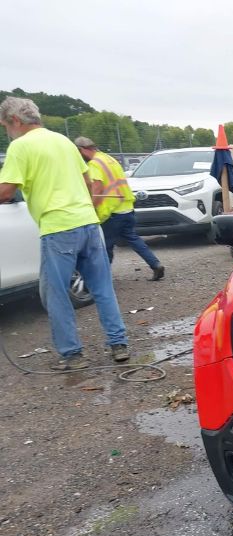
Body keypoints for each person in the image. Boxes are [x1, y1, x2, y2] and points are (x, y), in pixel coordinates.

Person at [0, 97, 130, 370]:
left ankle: (72, 354)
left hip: (58, 228)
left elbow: (6, 191)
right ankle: (119, 344)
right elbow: (87, 181)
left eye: (4, 125)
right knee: (102, 288)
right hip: (88, 223)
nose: (6, 131)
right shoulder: (62, 140)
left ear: (14, 120)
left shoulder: (19, 146)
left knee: (55, 294)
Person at [74, 137, 164, 281]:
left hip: (111, 212)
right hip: (126, 208)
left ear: (82, 150)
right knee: (133, 239)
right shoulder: (109, 159)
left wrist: (91, 208)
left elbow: (97, 187)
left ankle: (102, 279)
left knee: (106, 246)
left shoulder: (95, 164)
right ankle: (155, 264)